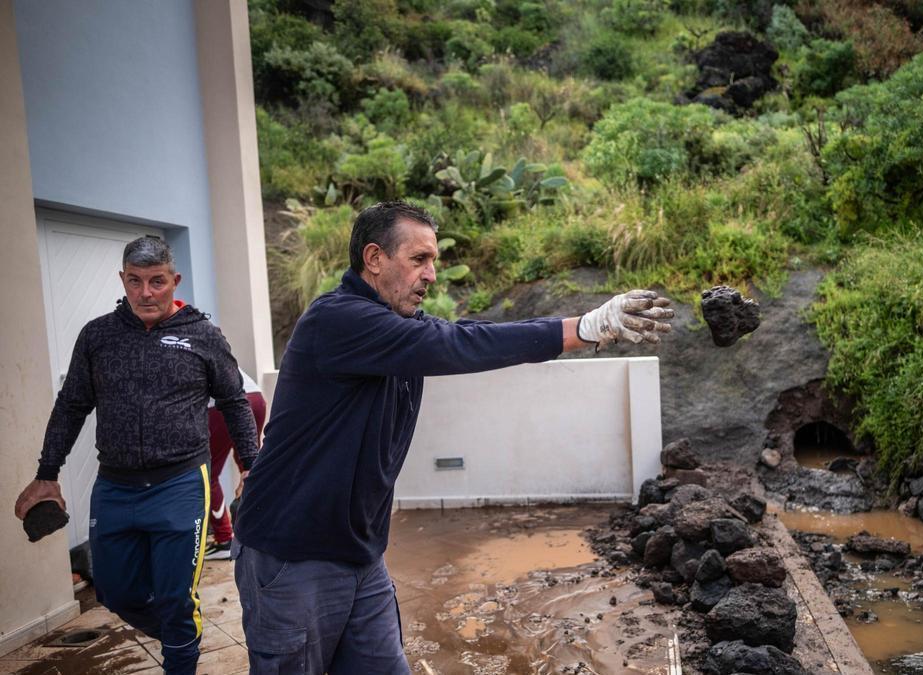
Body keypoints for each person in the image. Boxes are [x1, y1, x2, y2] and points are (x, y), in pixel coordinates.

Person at [233, 200, 672, 674]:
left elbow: (467, 332)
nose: (432, 275)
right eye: (419, 259)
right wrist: (586, 328)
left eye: (434, 261)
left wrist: (584, 329)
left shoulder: (397, 324)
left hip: (360, 552)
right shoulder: (337, 320)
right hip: (291, 554)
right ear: (375, 259)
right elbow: (455, 345)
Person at [13, 237, 258, 675]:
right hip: (115, 487)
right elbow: (71, 404)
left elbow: (235, 401)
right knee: (112, 591)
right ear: (123, 280)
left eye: (157, 281)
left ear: (173, 281)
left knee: (176, 597)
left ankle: (180, 646)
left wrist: (251, 467)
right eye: (135, 281)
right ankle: (182, 632)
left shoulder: (202, 334)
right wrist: (47, 472)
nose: (146, 293)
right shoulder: (98, 336)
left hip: (181, 484)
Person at [204, 368, 266, 560]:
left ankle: (224, 538)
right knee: (252, 467)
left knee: (208, 473)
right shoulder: (209, 342)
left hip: (221, 405)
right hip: (255, 396)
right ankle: (266, 526)